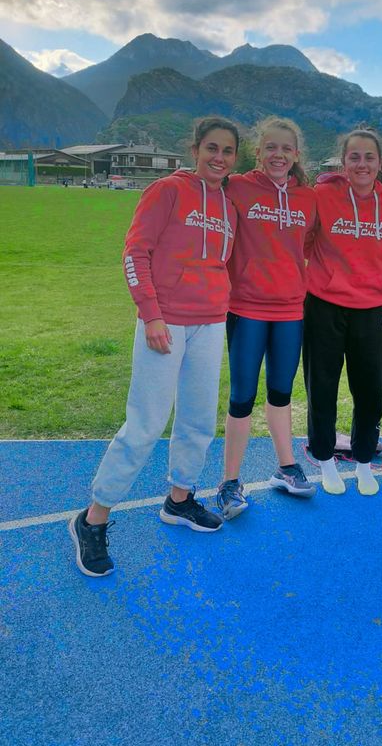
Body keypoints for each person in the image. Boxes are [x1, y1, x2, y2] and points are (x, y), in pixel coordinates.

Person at [68, 117, 239, 577]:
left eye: (227, 151)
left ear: (235, 157)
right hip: (165, 323)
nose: (218, 157)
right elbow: (134, 251)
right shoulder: (167, 190)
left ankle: (179, 500)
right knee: (145, 424)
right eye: (211, 148)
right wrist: (151, 314)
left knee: (199, 420)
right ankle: (93, 519)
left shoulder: (229, 203)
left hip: (210, 322)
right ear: (195, 149)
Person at [217, 117, 317, 518]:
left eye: (286, 148)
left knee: (281, 392)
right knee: (242, 398)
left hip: (292, 309)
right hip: (245, 308)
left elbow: (310, 243)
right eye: (270, 148)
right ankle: (229, 482)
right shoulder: (237, 187)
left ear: (296, 155)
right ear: (257, 152)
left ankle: (286, 467)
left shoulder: (307, 197)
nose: (278, 154)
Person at [304, 128, 382, 496]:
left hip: (372, 308)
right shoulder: (322, 195)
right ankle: (324, 457)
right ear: (343, 161)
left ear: (380, 163)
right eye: (354, 157)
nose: (362, 164)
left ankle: (364, 460)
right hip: (323, 306)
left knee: (369, 389)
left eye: (369, 157)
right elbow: (301, 240)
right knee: (322, 385)